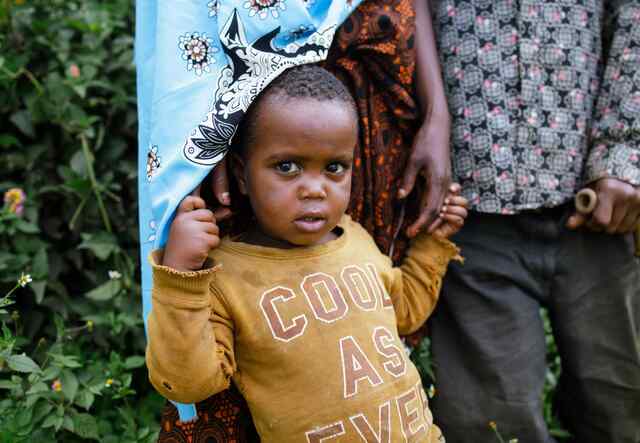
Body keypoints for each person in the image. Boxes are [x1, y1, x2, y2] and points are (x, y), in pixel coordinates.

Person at [145, 65, 467, 442]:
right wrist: (180, 276)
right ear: (243, 174)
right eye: (287, 167)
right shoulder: (224, 276)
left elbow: (405, 312)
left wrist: (433, 243)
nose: (315, 189)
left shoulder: (354, 238)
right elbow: (188, 384)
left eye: (334, 168)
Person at [427, 1, 640, 442]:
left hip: (597, 204)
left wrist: (625, 150)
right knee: (492, 421)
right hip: (472, 212)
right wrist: (431, 118)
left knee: (623, 397)